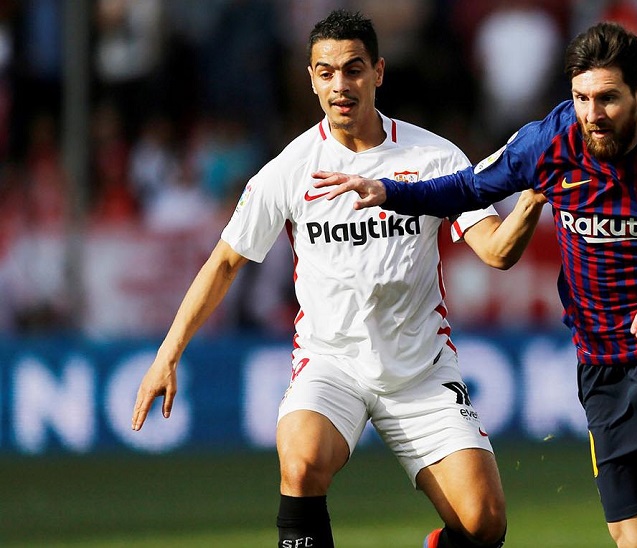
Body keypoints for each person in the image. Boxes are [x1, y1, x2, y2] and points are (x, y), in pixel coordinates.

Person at [314, 21, 637, 548]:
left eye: (607, 98)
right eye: (581, 98)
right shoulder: (549, 142)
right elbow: (467, 187)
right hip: (606, 364)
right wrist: (389, 190)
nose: (592, 114)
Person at [130, 10, 546, 548]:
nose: (340, 85)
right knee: (301, 461)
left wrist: (533, 197)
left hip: (419, 372)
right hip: (332, 364)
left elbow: (496, 251)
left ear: (378, 72)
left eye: (352, 69)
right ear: (310, 79)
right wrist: (167, 354)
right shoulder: (290, 168)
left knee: (484, 524)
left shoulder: (433, 157)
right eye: (326, 72)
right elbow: (225, 262)